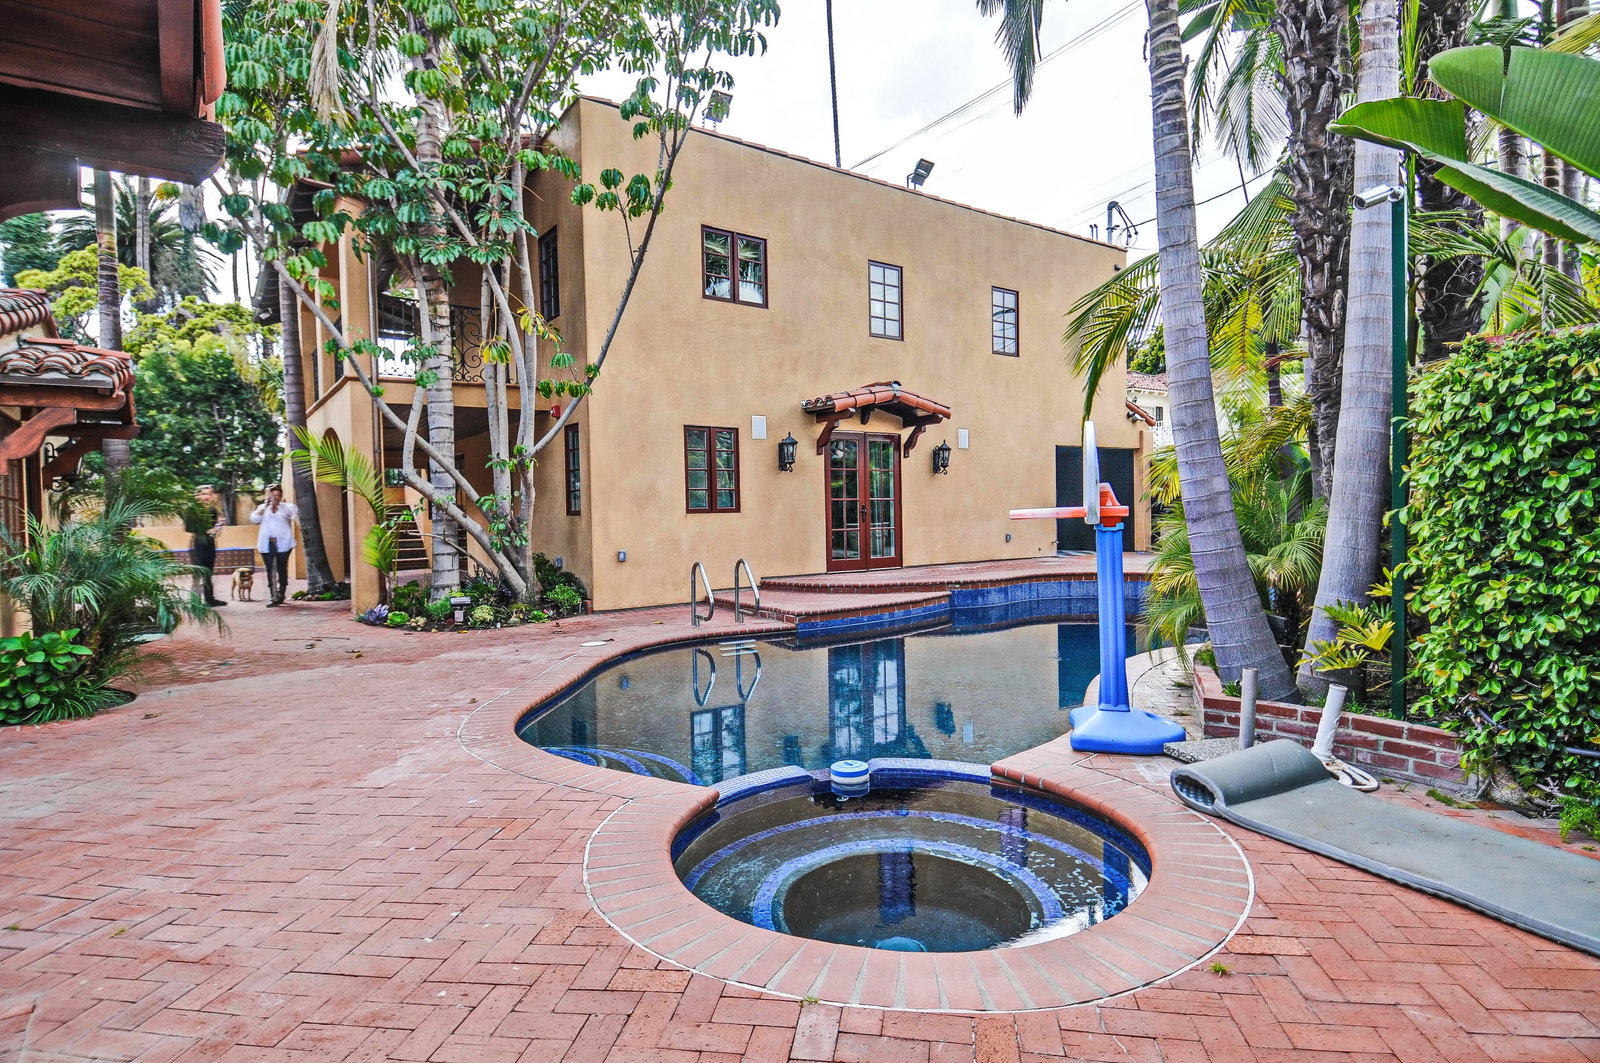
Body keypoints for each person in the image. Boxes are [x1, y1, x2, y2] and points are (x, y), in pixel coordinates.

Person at [250, 484, 299, 606]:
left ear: (281, 496)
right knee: (270, 568)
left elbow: (292, 516)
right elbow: (254, 519)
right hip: (267, 543)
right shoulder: (262, 508)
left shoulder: (288, 507)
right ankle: (273, 595)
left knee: (282, 568)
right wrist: (265, 506)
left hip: (284, 542)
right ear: (267, 496)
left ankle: (281, 593)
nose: (275, 497)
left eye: (277, 495)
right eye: (272, 495)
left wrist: (279, 506)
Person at [186, 484, 228, 607]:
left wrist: (219, 526)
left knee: (209, 572)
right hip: (198, 542)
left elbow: (214, 531)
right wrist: (206, 529)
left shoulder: (212, 510)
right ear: (197, 495)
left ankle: (210, 599)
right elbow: (189, 528)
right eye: (204, 494)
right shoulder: (191, 510)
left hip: (210, 543)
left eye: (209, 494)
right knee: (198, 572)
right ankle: (195, 601)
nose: (207, 496)